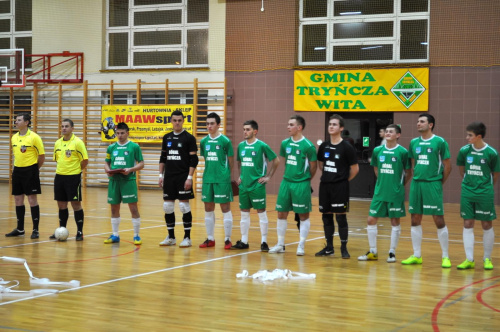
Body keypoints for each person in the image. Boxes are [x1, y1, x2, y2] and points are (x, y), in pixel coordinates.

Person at [402, 113, 452, 268]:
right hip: (417, 184)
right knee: (415, 219)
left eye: (422, 121)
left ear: (430, 125)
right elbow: (412, 163)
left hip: (433, 184)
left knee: (438, 219)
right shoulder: (413, 142)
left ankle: (445, 256)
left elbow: (447, 166)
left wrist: (438, 182)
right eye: (418, 121)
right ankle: (417, 255)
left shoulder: (440, 142)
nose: (418, 123)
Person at [357, 124, 411, 262]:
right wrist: (382, 183)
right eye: (386, 131)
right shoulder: (377, 150)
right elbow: (376, 169)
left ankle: (392, 252)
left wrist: (399, 186)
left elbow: (409, 172)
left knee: (394, 221)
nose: (387, 133)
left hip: (395, 193)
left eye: (391, 131)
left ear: (398, 135)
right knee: (371, 220)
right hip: (380, 192)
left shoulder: (403, 152)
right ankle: (373, 251)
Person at [269, 115, 317, 256]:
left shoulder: (308, 146)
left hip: (301, 184)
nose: (288, 127)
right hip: (286, 182)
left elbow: (313, 167)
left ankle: (301, 245)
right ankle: (280, 244)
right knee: (281, 213)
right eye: (288, 124)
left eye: (291, 124)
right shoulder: (285, 143)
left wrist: (305, 180)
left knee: (303, 215)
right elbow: (286, 162)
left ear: (299, 127)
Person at [456, 122, 499, 270]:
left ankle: (487, 258)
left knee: (486, 224)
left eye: (470, 135)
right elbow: (462, 171)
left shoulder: (491, 153)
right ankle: (469, 259)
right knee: (468, 223)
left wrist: (485, 187)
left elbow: (495, 174)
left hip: (485, 192)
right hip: (467, 192)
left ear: (479, 136)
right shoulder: (464, 151)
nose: (467, 137)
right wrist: (470, 185)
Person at [231, 120, 279, 251]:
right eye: (244, 129)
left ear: (255, 131)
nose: (245, 132)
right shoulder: (241, 146)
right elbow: (239, 162)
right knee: (244, 214)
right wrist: (240, 175)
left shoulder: (262, 146)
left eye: (247, 129)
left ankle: (264, 242)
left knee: (261, 212)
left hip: (257, 186)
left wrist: (268, 176)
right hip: (244, 186)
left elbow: (276, 160)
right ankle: (244, 241)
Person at [315, 114, 358, 258]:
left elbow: (355, 169)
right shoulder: (324, 146)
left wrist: (342, 180)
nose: (331, 126)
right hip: (325, 186)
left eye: (334, 124)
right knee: (326, 217)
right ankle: (329, 247)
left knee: (340, 217)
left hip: (340, 187)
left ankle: (344, 248)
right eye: (329, 124)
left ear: (341, 128)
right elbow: (321, 165)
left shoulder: (347, 147)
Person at [158, 110, 198, 248]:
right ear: (171, 121)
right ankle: (171, 237)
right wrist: (160, 175)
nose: (177, 123)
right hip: (169, 177)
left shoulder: (189, 138)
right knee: (167, 207)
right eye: (174, 120)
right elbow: (163, 158)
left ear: (183, 121)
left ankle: (187, 238)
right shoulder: (166, 137)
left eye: (179, 120)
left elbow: (194, 160)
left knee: (183, 206)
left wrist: (189, 178)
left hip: (183, 177)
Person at [103, 122, 144, 245]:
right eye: (117, 133)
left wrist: (130, 169)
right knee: (114, 208)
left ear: (127, 133)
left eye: (122, 133)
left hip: (128, 181)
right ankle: (115, 235)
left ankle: (136, 235)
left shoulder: (134, 147)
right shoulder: (111, 147)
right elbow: (106, 162)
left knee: (133, 208)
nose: (119, 136)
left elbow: (141, 164)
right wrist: (107, 171)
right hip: (114, 181)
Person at [6, 113, 45, 239]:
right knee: (18, 200)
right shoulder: (14, 137)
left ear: (27, 122)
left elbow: (42, 156)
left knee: (32, 200)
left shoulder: (34, 137)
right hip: (17, 170)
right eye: (15, 120)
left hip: (31, 170)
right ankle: (20, 228)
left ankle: (35, 230)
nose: (16, 122)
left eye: (18, 120)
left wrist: (34, 169)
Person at [199, 112, 234, 249]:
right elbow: (206, 159)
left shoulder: (225, 141)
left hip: (222, 180)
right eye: (207, 123)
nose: (209, 126)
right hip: (208, 179)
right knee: (208, 208)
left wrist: (225, 175)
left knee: (225, 208)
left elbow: (230, 161)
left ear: (218, 124)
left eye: (212, 123)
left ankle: (227, 239)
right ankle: (210, 238)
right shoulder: (203, 141)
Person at [50, 119, 89, 241]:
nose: (64, 128)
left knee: (76, 204)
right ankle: (62, 230)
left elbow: (85, 161)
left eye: (66, 126)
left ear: (72, 128)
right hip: (60, 177)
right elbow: (57, 160)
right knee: (61, 205)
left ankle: (79, 231)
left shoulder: (77, 142)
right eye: (62, 126)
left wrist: (76, 170)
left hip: (73, 177)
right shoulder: (57, 143)